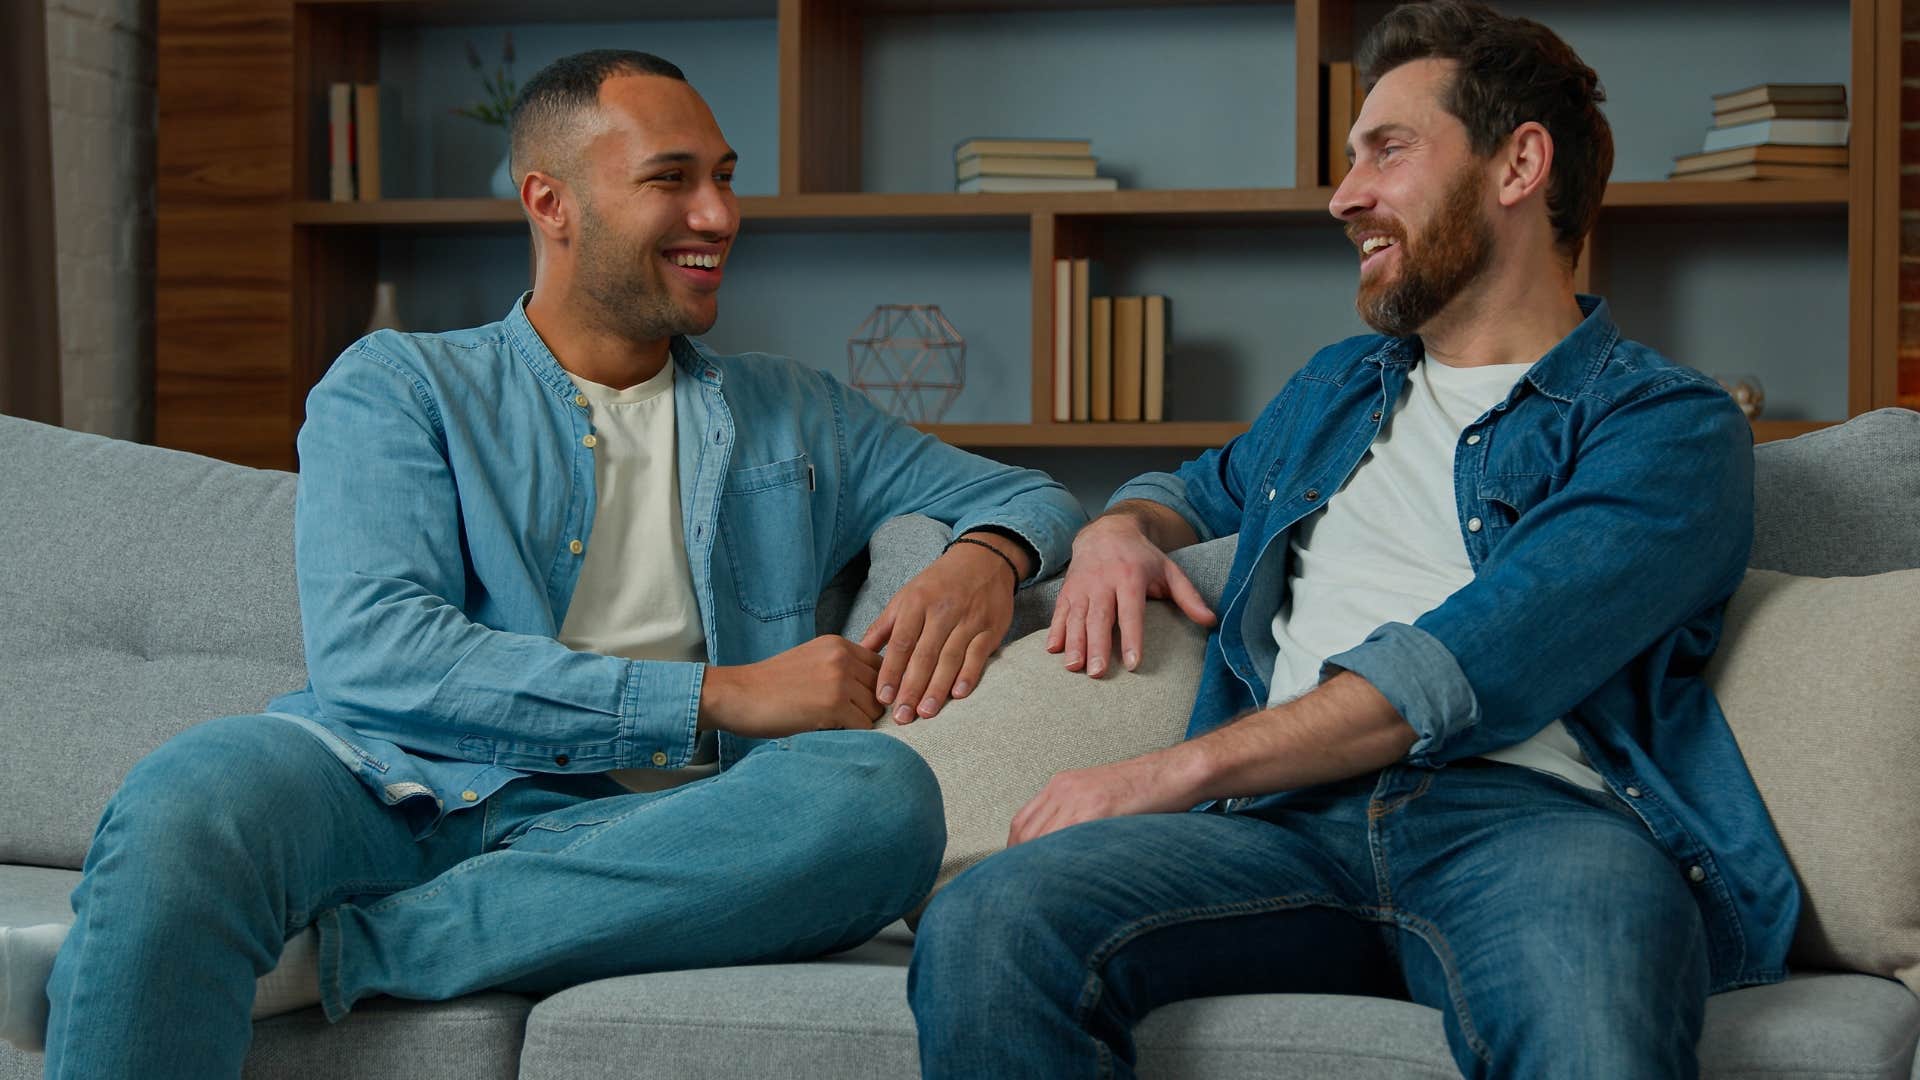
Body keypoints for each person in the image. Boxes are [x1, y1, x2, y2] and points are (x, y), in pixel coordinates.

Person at [0, 50, 1084, 1076]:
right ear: (550, 202)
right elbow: (379, 655)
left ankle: (338, 958)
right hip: (392, 785)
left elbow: (1028, 494)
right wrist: (718, 695)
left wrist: (985, 556)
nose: (719, 215)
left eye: (723, 178)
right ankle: (272, 933)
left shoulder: (796, 412)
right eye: (673, 180)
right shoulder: (401, 385)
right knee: (192, 790)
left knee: (877, 798)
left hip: (654, 830)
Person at [907, 4, 1798, 1077]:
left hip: (1528, 829)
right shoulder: (1337, 386)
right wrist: (1119, 530)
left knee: (1591, 1005)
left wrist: (1171, 771)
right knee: (990, 924)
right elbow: (1192, 487)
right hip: (1280, 833)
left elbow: (1470, 660)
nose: (1345, 196)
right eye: (1348, 159)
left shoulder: (1666, 426)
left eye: (1388, 150)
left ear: (1519, 164)